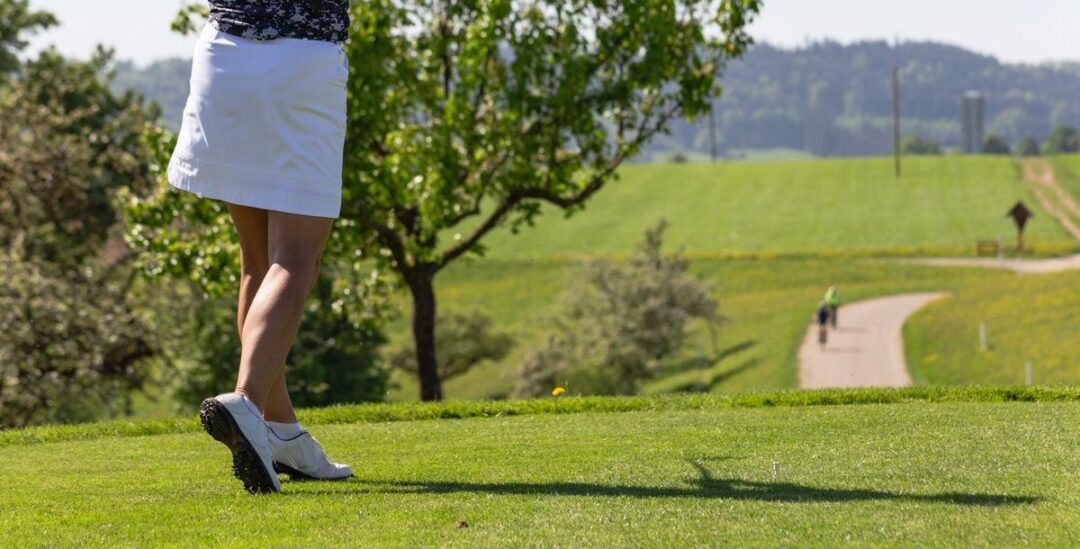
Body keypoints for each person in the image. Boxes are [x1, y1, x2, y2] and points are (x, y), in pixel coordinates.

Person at [168, 0, 352, 494]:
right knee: (294, 260)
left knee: (258, 263)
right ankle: (246, 402)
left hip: (224, 59)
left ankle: (281, 430)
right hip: (302, 65)